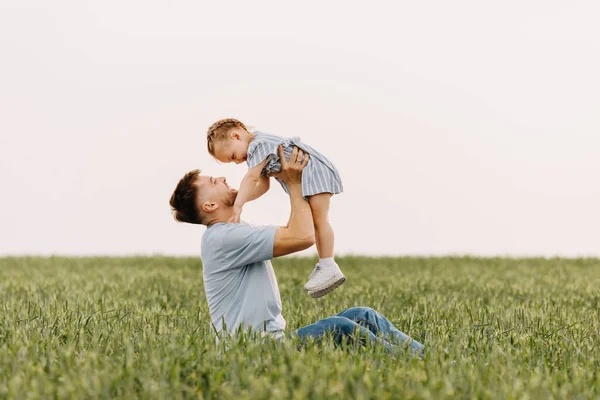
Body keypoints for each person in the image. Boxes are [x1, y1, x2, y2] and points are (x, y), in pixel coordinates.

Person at [169, 145, 425, 356]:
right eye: (214, 181)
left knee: (363, 315)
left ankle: (433, 357)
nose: (223, 178)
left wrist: (273, 171)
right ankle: (417, 365)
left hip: (270, 342)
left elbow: (295, 228)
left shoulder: (232, 232)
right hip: (252, 352)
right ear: (210, 204)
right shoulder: (222, 239)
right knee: (342, 327)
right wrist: (295, 183)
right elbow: (302, 236)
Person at [206, 118, 344, 298]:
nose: (237, 162)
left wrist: (238, 204)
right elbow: (263, 186)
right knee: (317, 220)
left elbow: (251, 179)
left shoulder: (259, 145)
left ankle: (328, 265)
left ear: (236, 135)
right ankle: (326, 264)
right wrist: (240, 199)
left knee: (320, 219)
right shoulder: (258, 153)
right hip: (307, 175)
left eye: (233, 156)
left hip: (314, 171)